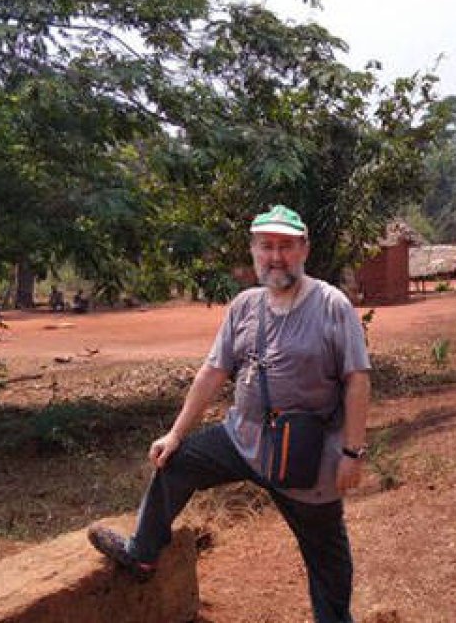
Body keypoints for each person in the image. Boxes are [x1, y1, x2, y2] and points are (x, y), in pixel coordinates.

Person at [87, 204, 371, 623]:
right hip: (244, 437)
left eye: (286, 247)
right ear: (254, 250)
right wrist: (176, 433)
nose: (276, 257)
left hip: (305, 453)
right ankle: (142, 554)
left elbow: (357, 379)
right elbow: (213, 371)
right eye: (267, 247)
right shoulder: (245, 306)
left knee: (326, 556)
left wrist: (351, 452)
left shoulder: (332, 305)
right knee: (177, 463)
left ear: (304, 249)